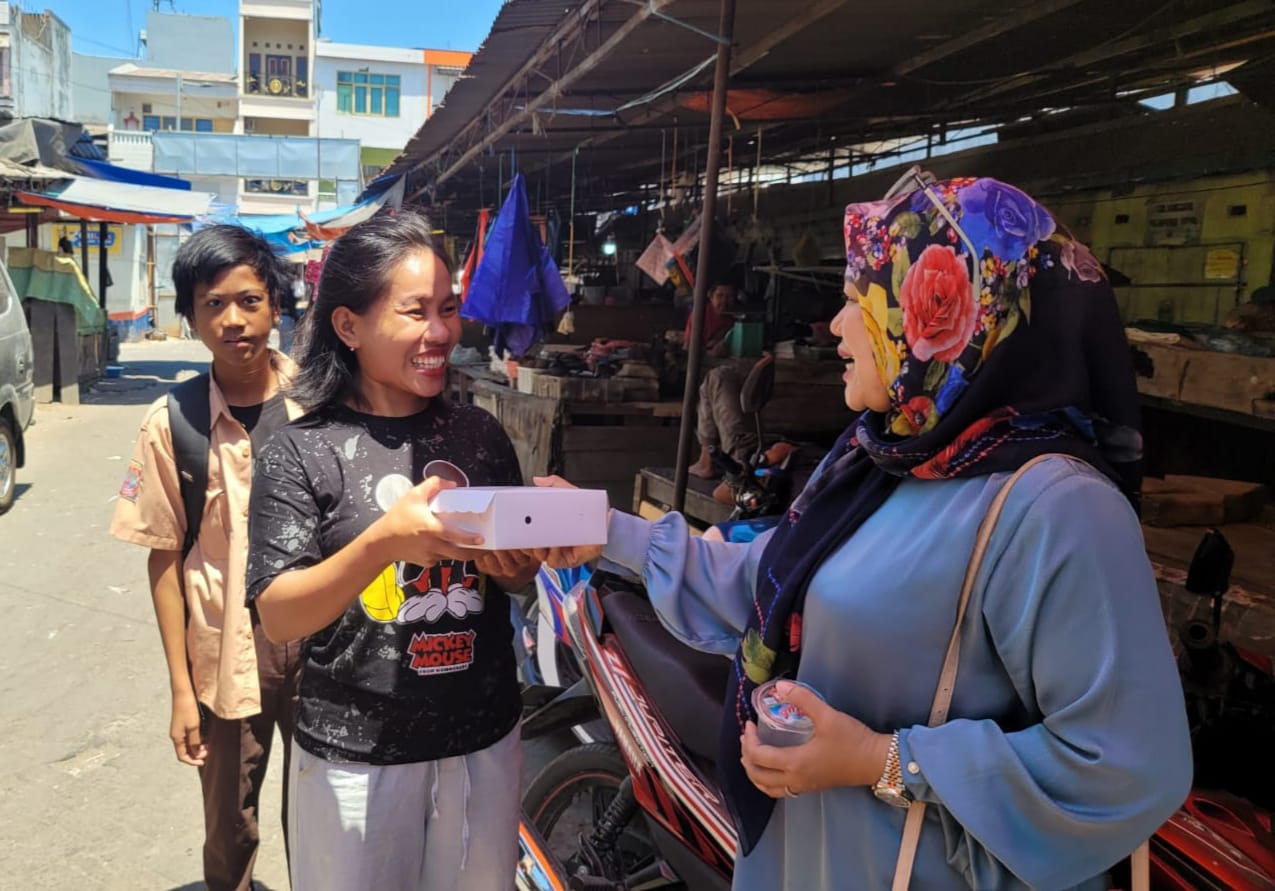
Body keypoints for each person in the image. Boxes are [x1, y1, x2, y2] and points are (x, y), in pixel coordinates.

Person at [535, 174, 1193, 889]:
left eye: (859, 300)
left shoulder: (1055, 506)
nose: (837, 326)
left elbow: (1127, 764)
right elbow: (766, 584)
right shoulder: (879, 459)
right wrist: (604, 529)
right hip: (804, 856)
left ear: (946, 316)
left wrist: (877, 758)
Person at [244, 209, 539, 891]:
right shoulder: (300, 450)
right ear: (348, 325)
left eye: (447, 309)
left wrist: (516, 568)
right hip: (355, 757)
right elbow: (279, 614)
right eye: (414, 312)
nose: (439, 333)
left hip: (482, 744)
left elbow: (513, 579)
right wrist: (385, 541)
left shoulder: (480, 435)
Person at [110, 225, 303, 891]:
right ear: (190, 317)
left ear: (275, 304)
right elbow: (164, 559)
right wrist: (180, 690)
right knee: (228, 828)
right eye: (211, 303)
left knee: (326, 814)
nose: (233, 320)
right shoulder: (173, 421)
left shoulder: (323, 404)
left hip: (325, 646)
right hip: (226, 651)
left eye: (248, 300)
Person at [684, 282, 758, 478]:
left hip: (728, 372)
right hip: (703, 370)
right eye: (720, 296)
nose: (724, 301)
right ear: (711, 296)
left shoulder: (737, 319)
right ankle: (717, 460)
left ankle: (712, 461)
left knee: (719, 383)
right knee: (714, 383)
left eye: (729, 297)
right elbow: (690, 350)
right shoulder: (701, 314)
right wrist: (710, 350)